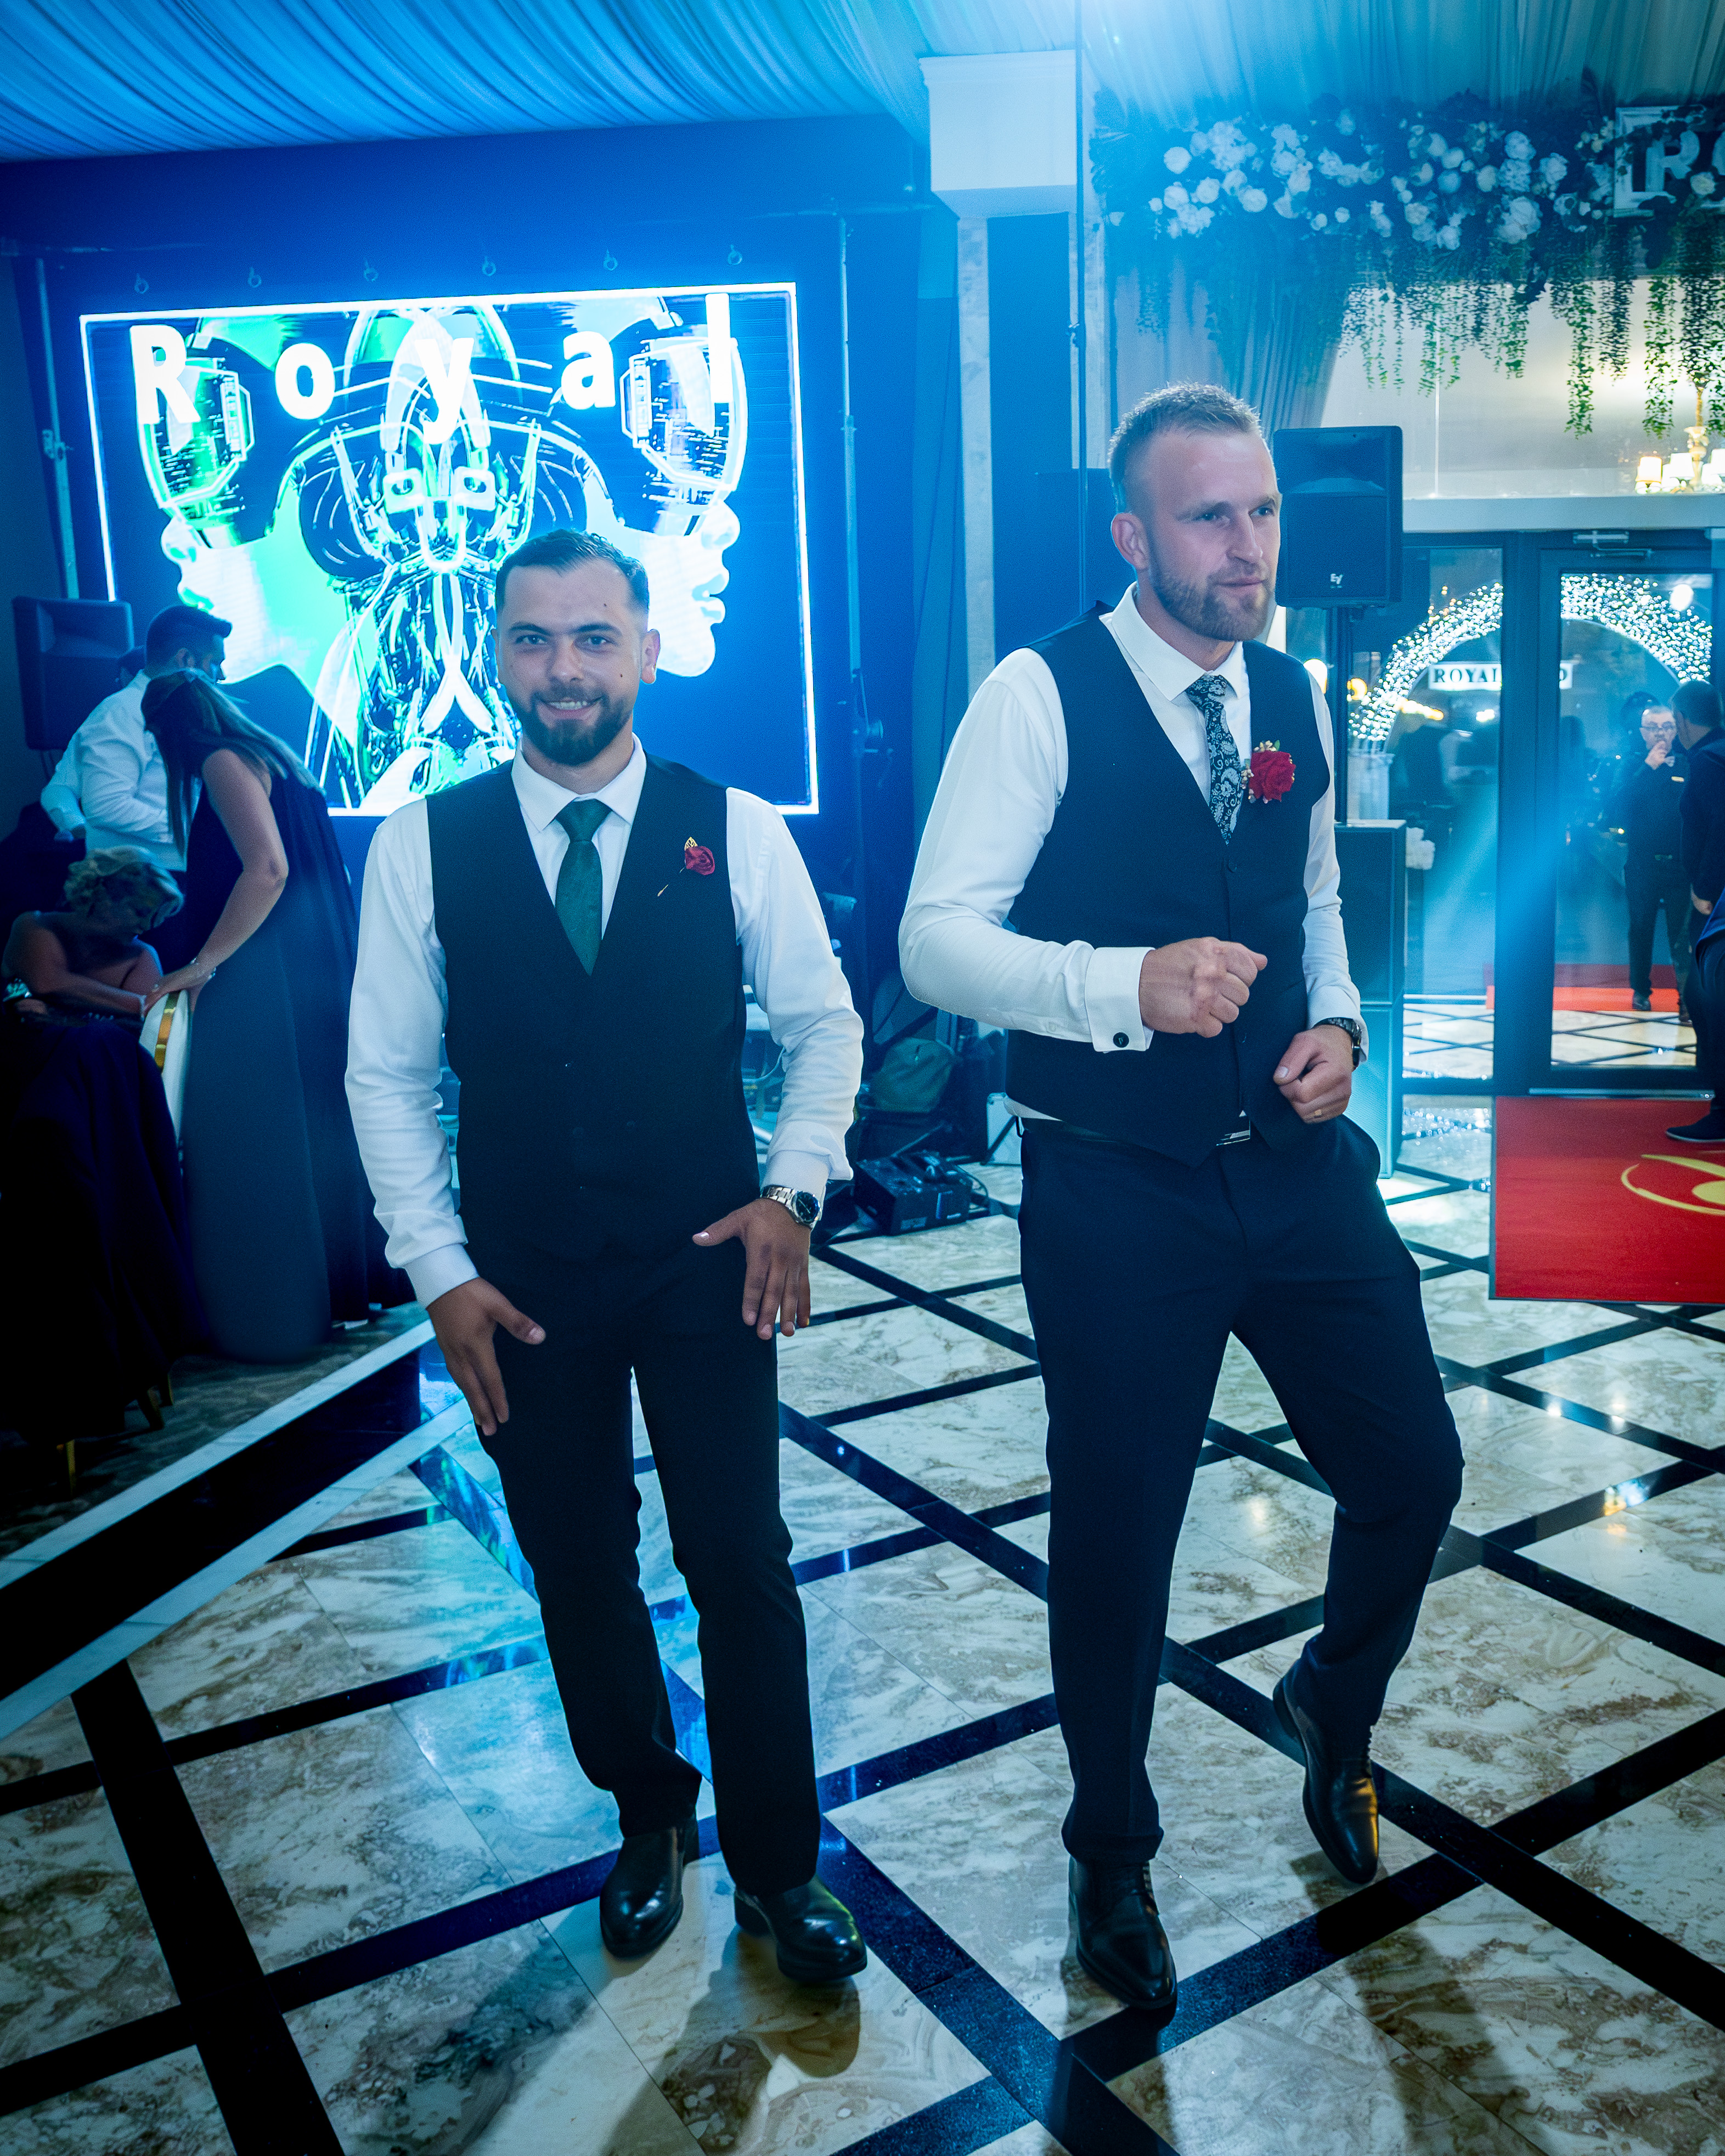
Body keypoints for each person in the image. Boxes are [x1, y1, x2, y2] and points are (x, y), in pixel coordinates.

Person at [900, 384, 1462, 2018]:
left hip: (1294, 1170)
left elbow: (1313, 896)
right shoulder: (1037, 695)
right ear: (1133, 535)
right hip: (1113, 1186)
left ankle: (1330, 1704)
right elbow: (935, 941)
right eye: (1211, 517)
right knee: (1119, 1532)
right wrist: (1116, 982)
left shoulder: (1293, 690)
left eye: (1264, 511)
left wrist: (1340, 1026)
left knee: (1413, 1466)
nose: (1249, 546)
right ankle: (1111, 1842)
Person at [346, 528, 869, 1982]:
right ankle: (647, 1813)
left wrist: (793, 1193)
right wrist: (439, 1271)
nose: (563, 668)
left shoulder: (735, 827)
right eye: (533, 638)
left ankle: (781, 1869)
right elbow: (386, 1077)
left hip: (708, 1260)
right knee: (577, 1564)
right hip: (521, 1284)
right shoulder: (421, 844)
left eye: (593, 637)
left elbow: (824, 1026)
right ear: (496, 656)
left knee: (740, 1560)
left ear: (646, 648)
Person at [139, 672, 403, 1359]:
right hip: (311, 963)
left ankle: (272, 1304)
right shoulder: (281, 761)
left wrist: (204, 963)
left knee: (257, 1138)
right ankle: (335, 1292)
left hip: (265, 974)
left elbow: (268, 869)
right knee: (317, 1129)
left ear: (169, 729)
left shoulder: (221, 761)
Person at [40, 606, 230, 870]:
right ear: (185, 658)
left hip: (174, 874)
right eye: (215, 663)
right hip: (148, 881)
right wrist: (198, 830)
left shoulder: (182, 712)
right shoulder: (122, 712)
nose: (222, 675)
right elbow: (106, 805)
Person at [4, 847, 182, 1024]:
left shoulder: (141, 957)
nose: (146, 926)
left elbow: (151, 1024)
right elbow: (47, 984)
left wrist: (68, 1021)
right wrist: (142, 1004)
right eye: (140, 912)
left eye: (154, 918)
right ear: (104, 893)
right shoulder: (35, 925)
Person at [1609, 704, 1692, 1014]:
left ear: (1676, 730)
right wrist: (1648, 767)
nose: (1661, 734)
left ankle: (1686, 999)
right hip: (1643, 861)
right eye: (1654, 728)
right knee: (1641, 927)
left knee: (1681, 933)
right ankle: (1641, 991)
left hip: (1681, 863)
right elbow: (1617, 807)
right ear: (1643, 733)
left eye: (1668, 726)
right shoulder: (1631, 766)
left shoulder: (1688, 764)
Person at [1672, 679, 1725, 1143]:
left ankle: (1722, 1111)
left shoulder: (1708, 760)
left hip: (1716, 904)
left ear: (1684, 720)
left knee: (1708, 999)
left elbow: (1720, 828)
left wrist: (1706, 889)